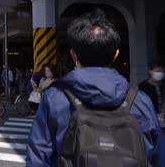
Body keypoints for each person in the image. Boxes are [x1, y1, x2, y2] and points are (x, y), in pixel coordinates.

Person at [26, 9, 164, 166]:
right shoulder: (141, 100)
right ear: (116, 55)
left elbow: (37, 157)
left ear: (74, 55)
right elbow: (158, 158)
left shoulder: (55, 98)